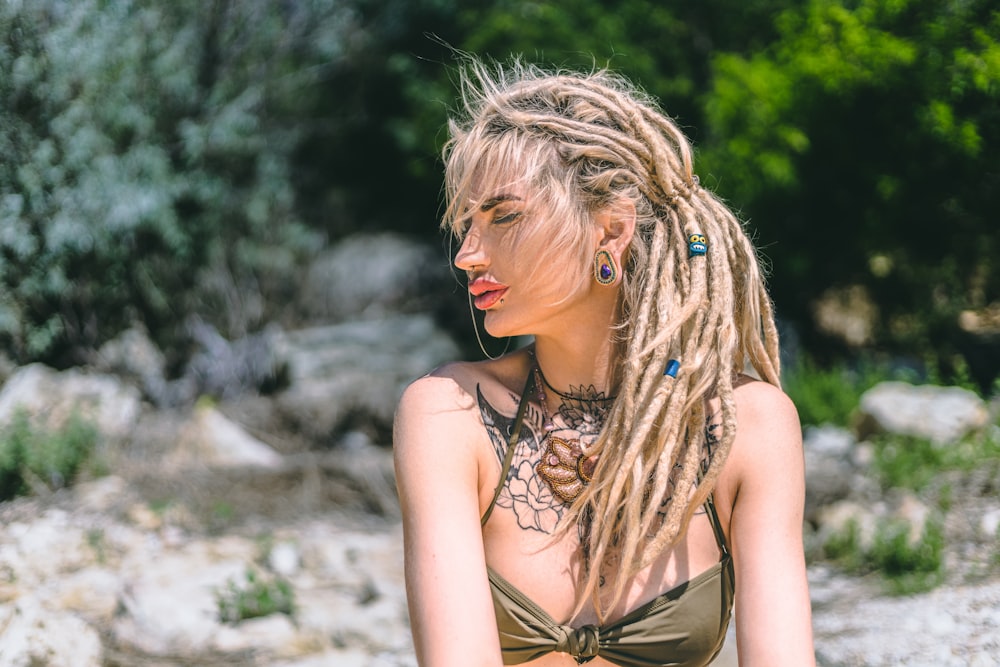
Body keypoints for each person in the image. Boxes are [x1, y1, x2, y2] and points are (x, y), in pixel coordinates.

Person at [393, 58, 815, 667]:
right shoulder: (449, 415)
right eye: (466, 224)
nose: (467, 255)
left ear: (610, 230)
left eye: (503, 216)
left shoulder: (745, 428)